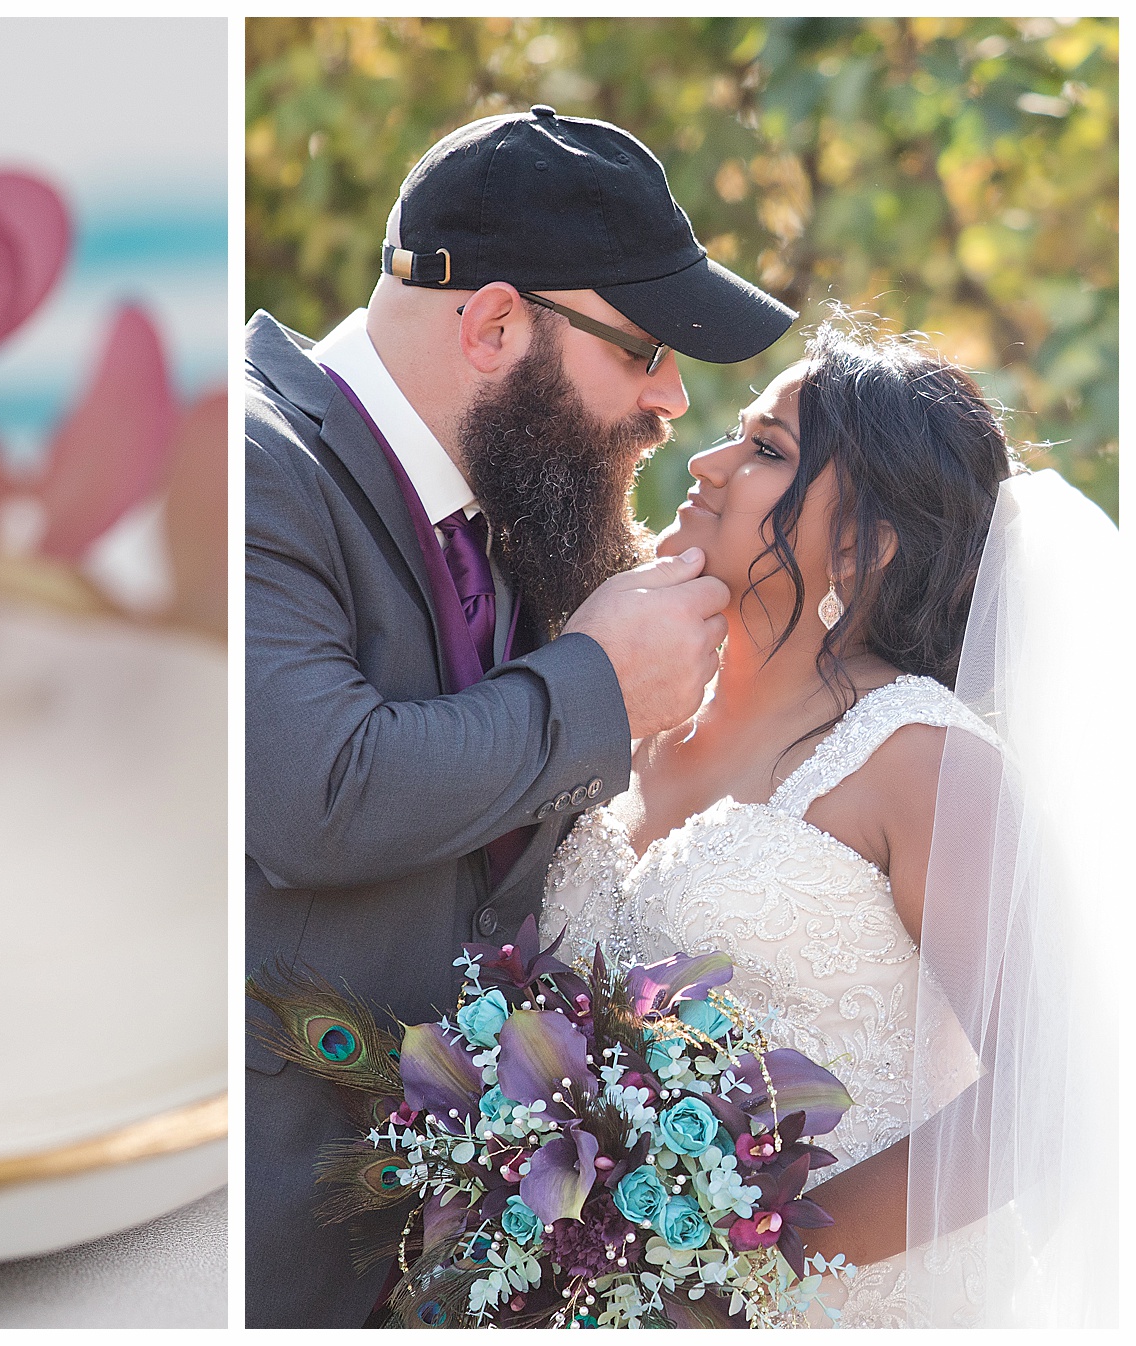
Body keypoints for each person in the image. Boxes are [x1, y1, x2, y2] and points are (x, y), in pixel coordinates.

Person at [245, 106, 795, 1327]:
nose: (670, 401)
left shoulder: (516, 506)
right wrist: (601, 685)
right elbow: (314, 789)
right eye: (643, 347)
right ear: (495, 323)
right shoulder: (245, 457)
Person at [541, 318, 1120, 1326]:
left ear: (869, 541)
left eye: (767, 451)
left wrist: (740, 1267)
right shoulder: (629, 712)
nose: (712, 461)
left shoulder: (920, 759)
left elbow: (1049, 1096)